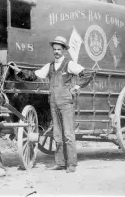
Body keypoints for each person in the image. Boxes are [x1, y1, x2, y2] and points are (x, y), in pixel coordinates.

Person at [8, 36, 93, 173]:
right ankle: (59, 163)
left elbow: (88, 74)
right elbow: (34, 75)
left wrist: (76, 87)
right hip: (53, 103)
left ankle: (71, 164)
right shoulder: (50, 66)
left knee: (69, 135)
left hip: (66, 104)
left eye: (59, 49)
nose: (56, 52)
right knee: (57, 135)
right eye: (55, 49)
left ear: (64, 50)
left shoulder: (69, 65)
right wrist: (19, 71)